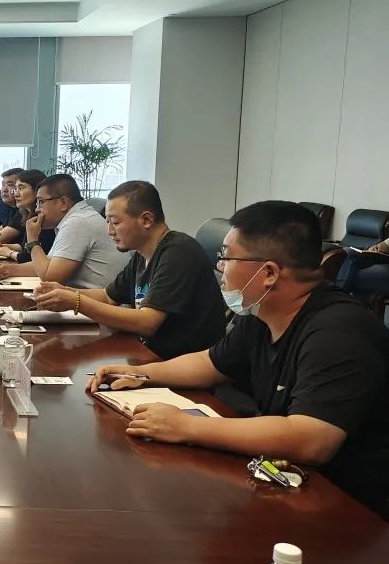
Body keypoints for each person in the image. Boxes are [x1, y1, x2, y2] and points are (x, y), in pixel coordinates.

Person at [87, 201, 389, 515]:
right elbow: (210, 363)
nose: (220, 267)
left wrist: (187, 427)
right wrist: (142, 374)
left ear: (269, 272)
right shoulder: (263, 313)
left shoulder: (338, 332)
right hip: (285, 483)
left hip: (349, 508)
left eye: (227, 257)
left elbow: (311, 439)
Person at [35, 180, 227, 359]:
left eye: (116, 222)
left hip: (175, 363)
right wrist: (64, 292)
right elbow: (108, 296)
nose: (110, 231)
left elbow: (147, 322)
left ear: (146, 220)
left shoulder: (178, 252)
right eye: (107, 222)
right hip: (144, 352)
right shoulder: (142, 253)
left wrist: (75, 302)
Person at [0, 174, 125, 287]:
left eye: (41, 202)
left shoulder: (78, 222)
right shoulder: (75, 218)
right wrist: (10, 269)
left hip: (98, 305)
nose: (37, 209)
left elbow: (50, 278)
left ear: (63, 203)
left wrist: (33, 240)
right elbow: (47, 265)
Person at [0, 169, 54, 257]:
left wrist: (10, 253)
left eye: (21, 188)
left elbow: (33, 255)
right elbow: (26, 246)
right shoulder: (26, 214)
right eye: (16, 189)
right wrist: (2, 246)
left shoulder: (44, 217)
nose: (16, 194)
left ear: (37, 191)